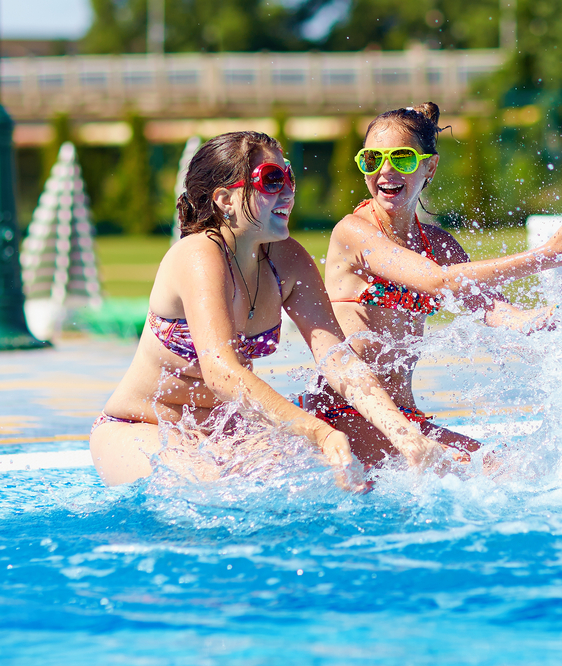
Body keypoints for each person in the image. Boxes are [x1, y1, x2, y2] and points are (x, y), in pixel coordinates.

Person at [90, 131, 448, 491]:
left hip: (226, 430)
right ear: (225, 199)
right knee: (218, 491)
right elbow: (222, 373)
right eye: (272, 179)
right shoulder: (198, 255)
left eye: (289, 176)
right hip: (142, 428)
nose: (289, 191)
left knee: (330, 482)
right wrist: (320, 433)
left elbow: (339, 360)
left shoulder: (287, 260)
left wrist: (404, 435)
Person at [313, 103, 562, 466]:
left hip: (405, 420)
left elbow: (508, 317)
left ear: (429, 166)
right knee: (491, 471)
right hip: (344, 414)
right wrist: (547, 255)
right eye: (372, 158)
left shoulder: (438, 245)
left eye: (402, 159)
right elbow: (438, 282)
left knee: (517, 467)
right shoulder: (354, 233)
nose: (385, 170)